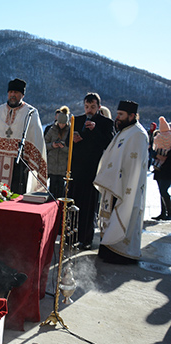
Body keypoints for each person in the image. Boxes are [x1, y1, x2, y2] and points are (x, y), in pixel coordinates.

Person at [94, 100, 148, 264]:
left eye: (121, 115)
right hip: (114, 184)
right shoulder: (124, 131)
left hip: (126, 187)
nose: (117, 118)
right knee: (110, 218)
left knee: (123, 216)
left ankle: (121, 254)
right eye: (117, 114)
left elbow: (134, 166)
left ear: (132, 116)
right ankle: (108, 249)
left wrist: (119, 181)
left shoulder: (138, 134)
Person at [0, 79, 46, 194]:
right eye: (11, 92)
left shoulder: (31, 112)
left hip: (18, 164)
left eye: (16, 92)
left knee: (14, 194)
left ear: (22, 95)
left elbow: (36, 138)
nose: (13, 95)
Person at [70, 92, 115, 250]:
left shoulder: (106, 123)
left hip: (92, 171)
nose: (89, 110)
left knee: (89, 207)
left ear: (99, 107)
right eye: (87, 107)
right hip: (76, 170)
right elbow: (68, 143)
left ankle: (86, 238)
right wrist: (73, 140)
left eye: (93, 107)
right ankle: (71, 236)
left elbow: (109, 143)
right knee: (73, 204)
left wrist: (95, 130)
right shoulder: (77, 120)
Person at [44, 106, 71, 199]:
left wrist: (63, 147)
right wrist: (52, 145)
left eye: (63, 123)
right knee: (51, 190)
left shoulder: (70, 131)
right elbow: (44, 143)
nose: (61, 125)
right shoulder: (52, 129)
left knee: (61, 190)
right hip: (52, 165)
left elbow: (72, 150)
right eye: (60, 123)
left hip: (63, 166)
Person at [152, 116, 171, 220]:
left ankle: (169, 212)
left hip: (167, 170)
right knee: (161, 191)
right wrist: (157, 156)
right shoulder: (158, 138)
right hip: (159, 168)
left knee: (163, 190)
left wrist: (163, 157)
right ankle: (163, 213)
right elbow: (152, 152)